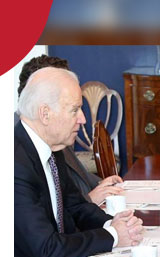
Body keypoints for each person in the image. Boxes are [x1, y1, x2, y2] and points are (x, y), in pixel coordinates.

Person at [14, 67, 144, 257]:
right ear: (45, 114)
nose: (83, 119)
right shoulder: (14, 163)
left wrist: (113, 223)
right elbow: (46, 249)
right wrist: (114, 236)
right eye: (75, 110)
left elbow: (75, 206)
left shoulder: (51, 147)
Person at [15, 55, 124, 205]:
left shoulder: (56, 139)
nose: (83, 119)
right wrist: (90, 199)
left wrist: (102, 184)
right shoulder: (18, 150)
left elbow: (80, 178)